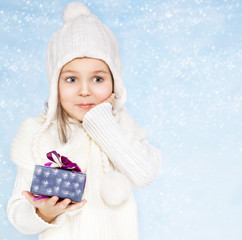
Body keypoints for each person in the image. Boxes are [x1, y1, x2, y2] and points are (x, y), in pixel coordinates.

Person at [7, 2, 162, 239]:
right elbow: (19, 216)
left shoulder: (120, 124)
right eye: (71, 79)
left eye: (98, 79)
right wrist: (44, 213)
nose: (84, 91)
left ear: (114, 81)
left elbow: (143, 174)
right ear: (55, 85)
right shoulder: (39, 133)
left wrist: (100, 121)